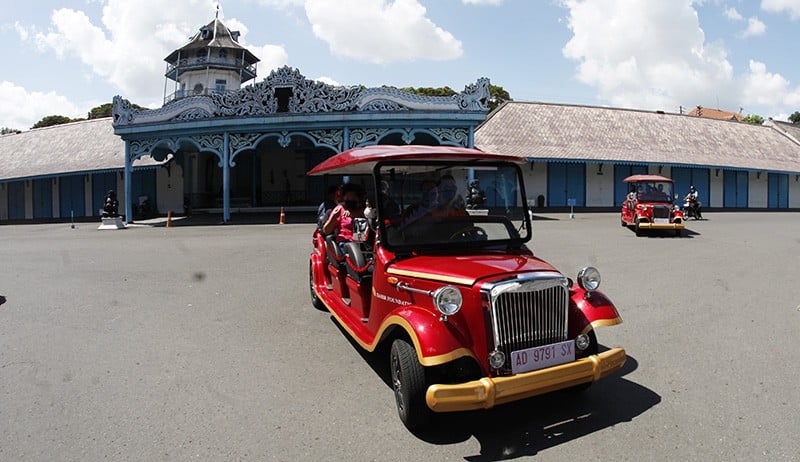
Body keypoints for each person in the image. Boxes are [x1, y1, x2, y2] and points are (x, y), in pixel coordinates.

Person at [322, 183, 366, 250]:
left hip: (360, 241)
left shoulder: (362, 210)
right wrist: (334, 217)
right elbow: (326, 231)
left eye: (353, 198)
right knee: (351, 247)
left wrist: (354, 216)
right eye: (347, 198)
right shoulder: (339, 209)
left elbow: (363, 230)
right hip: (345, 242)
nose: (350, 200)